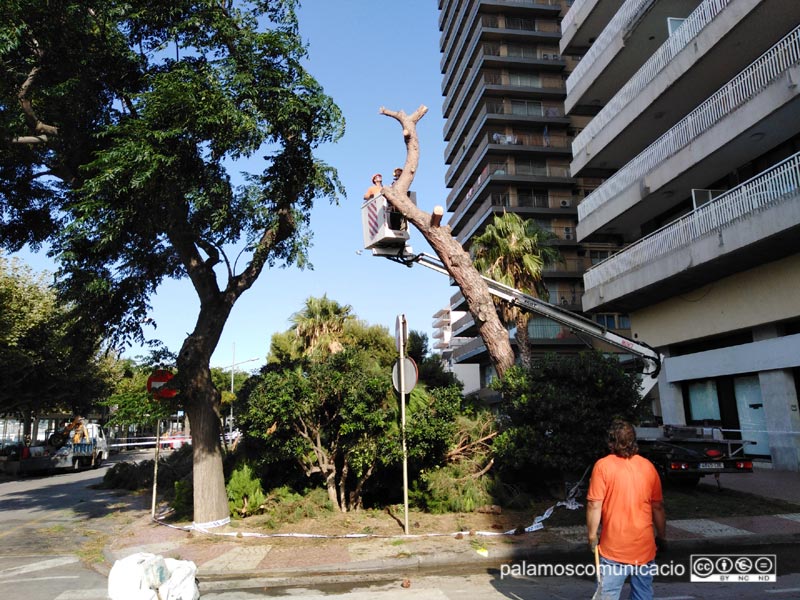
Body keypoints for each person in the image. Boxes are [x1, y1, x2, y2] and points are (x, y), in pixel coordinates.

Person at [586, 419, 666, 600]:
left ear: (611, 442)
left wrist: (592, 536)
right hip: (644, 548)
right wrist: (661, 536)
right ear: (633, 441)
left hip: (614, 548)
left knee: (608, 595)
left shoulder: (603, 466)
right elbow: (658, 507)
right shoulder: (648, 467)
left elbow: (594, 505)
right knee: (643, 595)